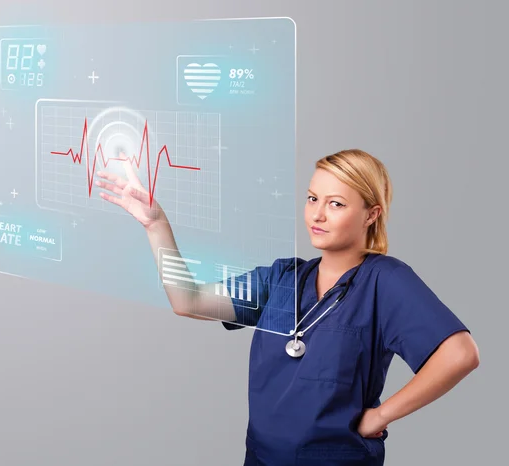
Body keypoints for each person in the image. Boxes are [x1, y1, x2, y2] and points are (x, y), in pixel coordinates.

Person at [95, 149, 480, 466]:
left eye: (337, 203)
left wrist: (381, 415)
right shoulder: (282, 279)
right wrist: (156, 225)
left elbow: (459, 354)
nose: (317, 214)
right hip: (262, 458)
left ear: (371, 214)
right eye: (313, 198)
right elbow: (188, 300)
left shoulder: (384, 281)